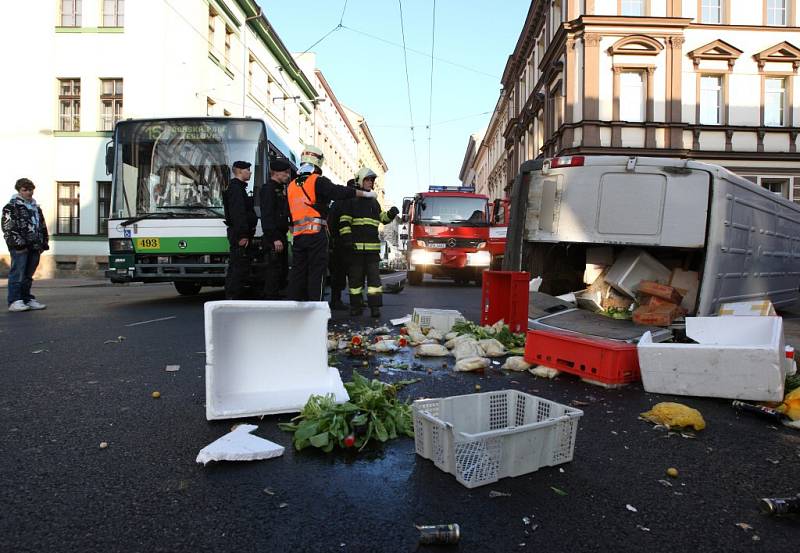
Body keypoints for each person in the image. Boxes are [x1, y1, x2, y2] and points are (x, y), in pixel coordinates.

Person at [286, 145, 377, 302]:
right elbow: (338, 191)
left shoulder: (292, 185)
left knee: (298, 273)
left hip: (298, 237)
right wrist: (365, 194)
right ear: (318, 161)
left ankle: (295, 308)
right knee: (317, 273)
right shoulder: (317, 181)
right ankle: (315, 309)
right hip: (315, 236)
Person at [338, 168, 399, 318]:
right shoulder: (351, 200)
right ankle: (356, 307)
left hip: (372, 251)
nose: (370, 183)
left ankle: (375, 308)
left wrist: (391, 213)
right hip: (356, 250)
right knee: (355, 281)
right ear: (360, 180)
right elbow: (344, 221)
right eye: (367, 180)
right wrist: (347, 240)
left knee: (374, 282)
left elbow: (382, 219)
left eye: (371, 180)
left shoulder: (374, 202)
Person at [2, 178, 49, 312]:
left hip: (35, 246)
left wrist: (44, 243)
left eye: (30, 190)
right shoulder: (11, 207)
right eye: (25, 190)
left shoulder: (35, 207)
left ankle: (27, 298)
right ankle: (15, 300)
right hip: (20, 247)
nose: (29, 192)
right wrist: (18, 245)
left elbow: (42, 226)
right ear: (19, 190)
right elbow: (8, 228)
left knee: (28, 275)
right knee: (17, 273)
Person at [222, 160, 257, 300]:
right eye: (248, 170)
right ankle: (233, 297)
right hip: (239, 234)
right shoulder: (236, 188)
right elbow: (238, 213)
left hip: (240, 233)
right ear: (240, 171)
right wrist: (243, 235)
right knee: (238, 267)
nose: (250, 172)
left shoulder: (238, 187)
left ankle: (233, 296)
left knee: (238, 265)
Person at [260, 158, 293, 299]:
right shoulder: (269, 189)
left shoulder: (279, 189)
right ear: (276, 173)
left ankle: (276, 296)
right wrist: (275, 238)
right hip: (274, 237)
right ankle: (271, 298)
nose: (287, 175)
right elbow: (267, 216)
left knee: (281, 269)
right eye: (285, 172)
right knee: (274, 269)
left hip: (281, 234)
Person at [327, 178, 357, 310]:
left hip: (337, 243)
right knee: (349, 274)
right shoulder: (349, 202)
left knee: (338, 273)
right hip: (344, 244)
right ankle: (345, 301)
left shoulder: (337, 203)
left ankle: (337, 299)